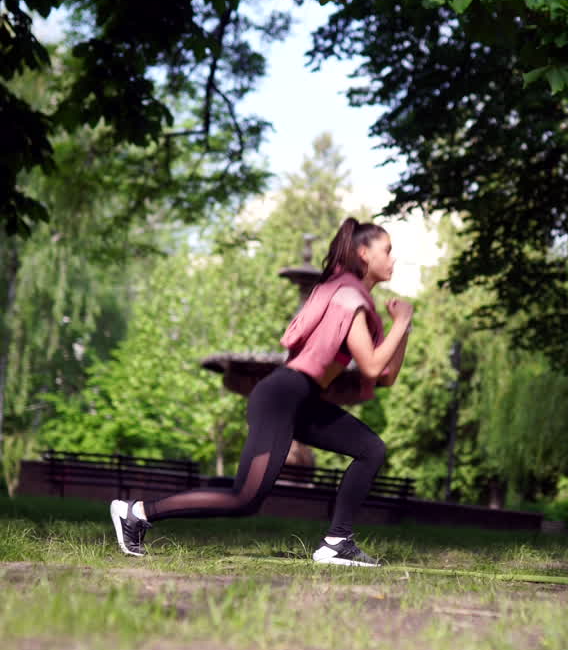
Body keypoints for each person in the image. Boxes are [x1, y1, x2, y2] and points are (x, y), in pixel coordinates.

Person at [109, 218, 413, 567]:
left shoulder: (354, 299)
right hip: (282, 396)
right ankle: (136, 513)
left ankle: (337, 542)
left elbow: (386, 376)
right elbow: (372, 367)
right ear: (363, 253)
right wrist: (402, 322)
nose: (392, 258)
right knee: (244, 499)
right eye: (387, 250)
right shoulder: (348, 297)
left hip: (303, 400)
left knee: (370, 448)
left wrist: (403, 330)